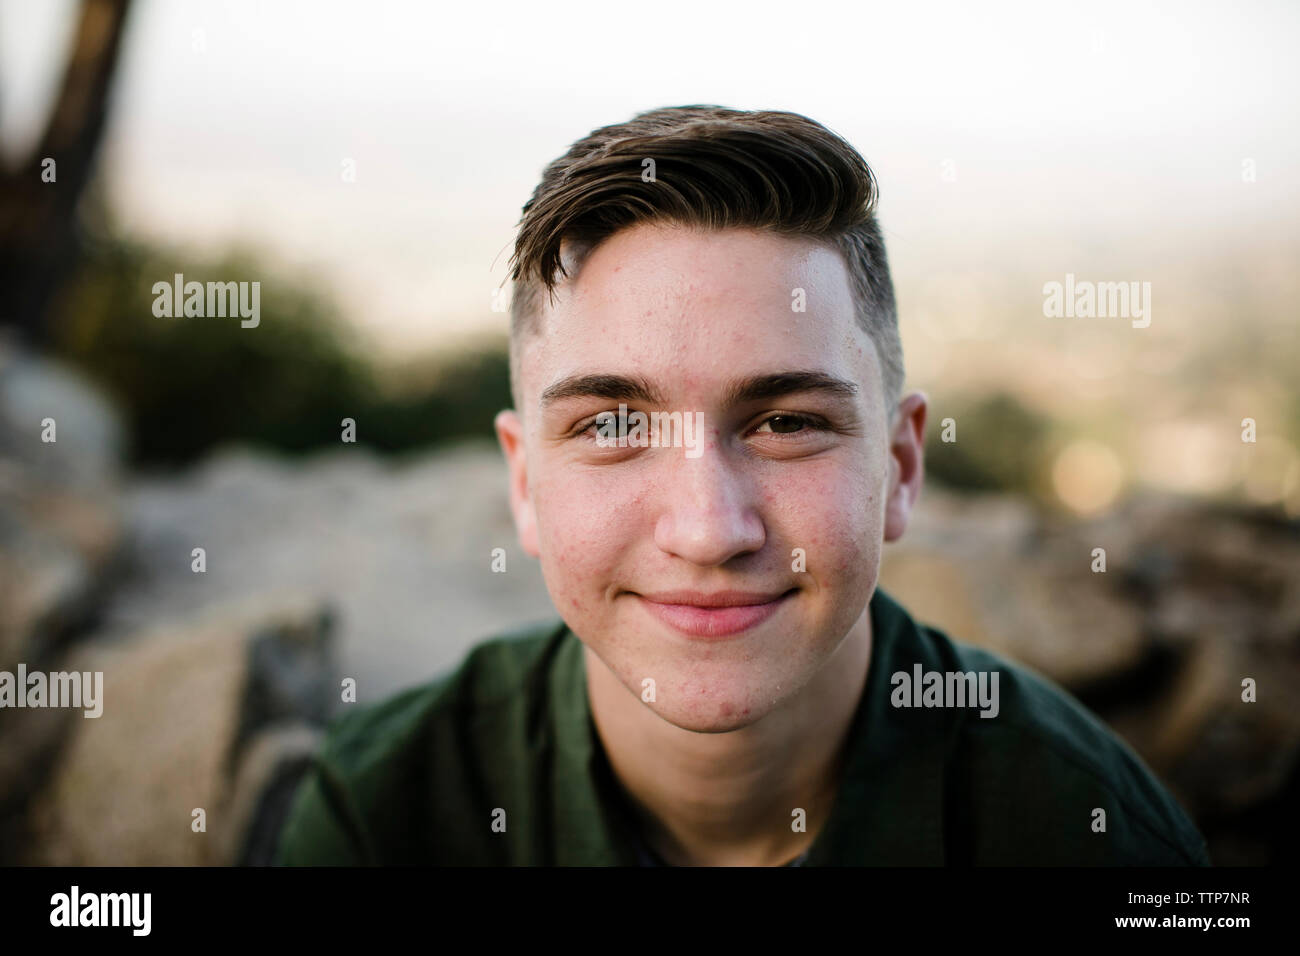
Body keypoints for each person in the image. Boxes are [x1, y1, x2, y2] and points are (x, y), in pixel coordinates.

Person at [274, 105, 1210, 866]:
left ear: (899, 467)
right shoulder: (386, 816)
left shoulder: (1094, 839)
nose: (708, 530)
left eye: (787, 423)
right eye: (611, 427)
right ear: (524, 482)